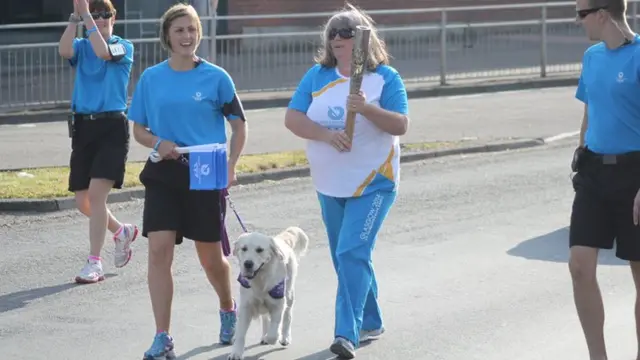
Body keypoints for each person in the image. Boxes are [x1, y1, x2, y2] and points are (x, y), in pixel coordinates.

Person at [284, 3, 409, 359]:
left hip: (374, 182)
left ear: (363, 39)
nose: (339, 38)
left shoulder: (385, 77)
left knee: (351, 251)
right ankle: (371, 319)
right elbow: (293, 118)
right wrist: (326, 135)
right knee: (347, 258)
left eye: (347, 33)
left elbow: (401, 124)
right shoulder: (317, 76)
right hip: (329, 183)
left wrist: (367, 108)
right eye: (333, 34)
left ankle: (346, 334)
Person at [126, 3, 248, 359]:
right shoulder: (151, 78)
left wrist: (231, 164)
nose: (187, 36)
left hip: (206, 166)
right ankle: (162, 336)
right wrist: (156, 142)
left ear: (200, 34)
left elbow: (239, 126)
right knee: (159, 251)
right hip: (164, 169)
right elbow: (138, 128)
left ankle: (227, 308)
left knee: (209, 256)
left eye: (192, 29)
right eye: (179, 30)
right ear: (167, 35)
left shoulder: (216, 77)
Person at [570, 0, 640, 359]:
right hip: (594, 172)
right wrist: (580, 153)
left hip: (635, 174)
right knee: (580, 267)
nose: (578, 21)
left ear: (602, 14)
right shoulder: (592, 57)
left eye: (581, 13)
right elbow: (588, 111)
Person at [57, 0, 138, 284]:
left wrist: (88, 15)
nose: (101, 20)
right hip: (83, 127)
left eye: (106, 15)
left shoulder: (123, 47)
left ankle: (95, 262)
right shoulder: (81, 46)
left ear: (114, 18)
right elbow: (64, 50)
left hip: (111, 127)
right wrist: (74, 18)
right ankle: (121, 231)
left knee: (96, 195)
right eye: (96, 14)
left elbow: (103, 52)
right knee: (83, 200)